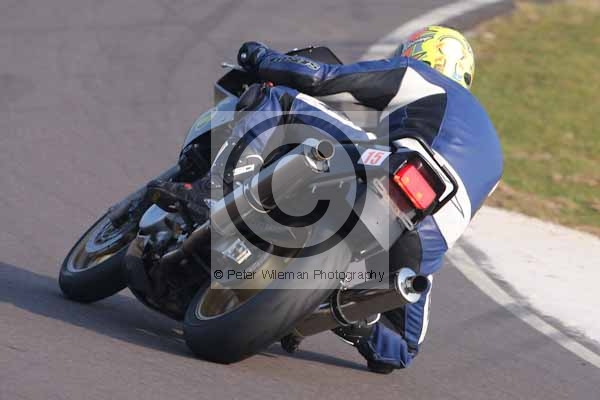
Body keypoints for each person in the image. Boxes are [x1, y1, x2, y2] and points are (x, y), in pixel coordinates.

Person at [148, 25, 503, 374]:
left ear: (417, 52)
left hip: (396, 163)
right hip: (429, 228)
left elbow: (320, 78)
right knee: (400, 346)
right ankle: (351, 313)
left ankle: (211, 195)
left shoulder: (420, 76)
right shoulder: (493, 153)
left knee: (278, 98)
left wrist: (260, 56)